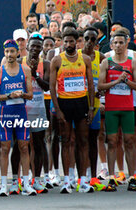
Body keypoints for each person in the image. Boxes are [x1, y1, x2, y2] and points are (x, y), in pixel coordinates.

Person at [49, 28, 95, 193]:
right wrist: (57, 109)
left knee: (83, 141)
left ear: (77, 41)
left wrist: (91, 108)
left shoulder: (85, 59)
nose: (68, 44)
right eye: (65, 41)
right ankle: (67, 180)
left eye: (71, 41)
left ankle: (82, 180)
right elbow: (52, 87)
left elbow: (90, 84)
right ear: (62, 41)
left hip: (81, 103)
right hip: (65, 103)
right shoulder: (57, 60)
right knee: (66, 141)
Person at [0, 39, 35, 196]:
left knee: (23, 146)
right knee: (5, 148)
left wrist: (21, 94)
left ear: (18, 52)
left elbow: (30, 95)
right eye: (7, 51)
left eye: (12, 51)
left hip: (21, 113)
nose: (9, 54)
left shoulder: (25, 70)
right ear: (4, 53)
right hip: (5, 114)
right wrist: (9, 95)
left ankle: (26, 184)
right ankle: (4, 185)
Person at [97, 30, 136, 191]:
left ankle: (132, 177)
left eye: (121, 43)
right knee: (112, 142)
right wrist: (116, 81)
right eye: (115, 43)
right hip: (111, 109)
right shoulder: (106, 62)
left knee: (130, 141)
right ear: (111, 45)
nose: (118, 45)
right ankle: (110, 178)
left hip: (128, 108)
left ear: (126, 44)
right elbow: (100, 86)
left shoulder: (133, 62)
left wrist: (127, 80)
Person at [22, 34, 50, 193]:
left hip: (39, 110)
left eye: (38, 47)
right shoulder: (20, 63)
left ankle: (37, 179)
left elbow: (47, 87)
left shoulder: (45, 64)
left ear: (41, 49)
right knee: (23, 146)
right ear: (27, 47)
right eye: (32, 46)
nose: (35, 49)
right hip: (22, 109)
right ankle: (22, 179)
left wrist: (35, 75)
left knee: (39, 145)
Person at [81, 27, 106, 191]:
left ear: (97, 42)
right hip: (79, 103)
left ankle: (93, 176)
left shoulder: (101, 57)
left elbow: (106, 77)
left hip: (95, 103)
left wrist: (103, 90)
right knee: (79, 140)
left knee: (93, 140)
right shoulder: (76, 56)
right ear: (82, 39)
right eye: (87, 38)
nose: (90, 42)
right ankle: (80, 175)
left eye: (93, 39)